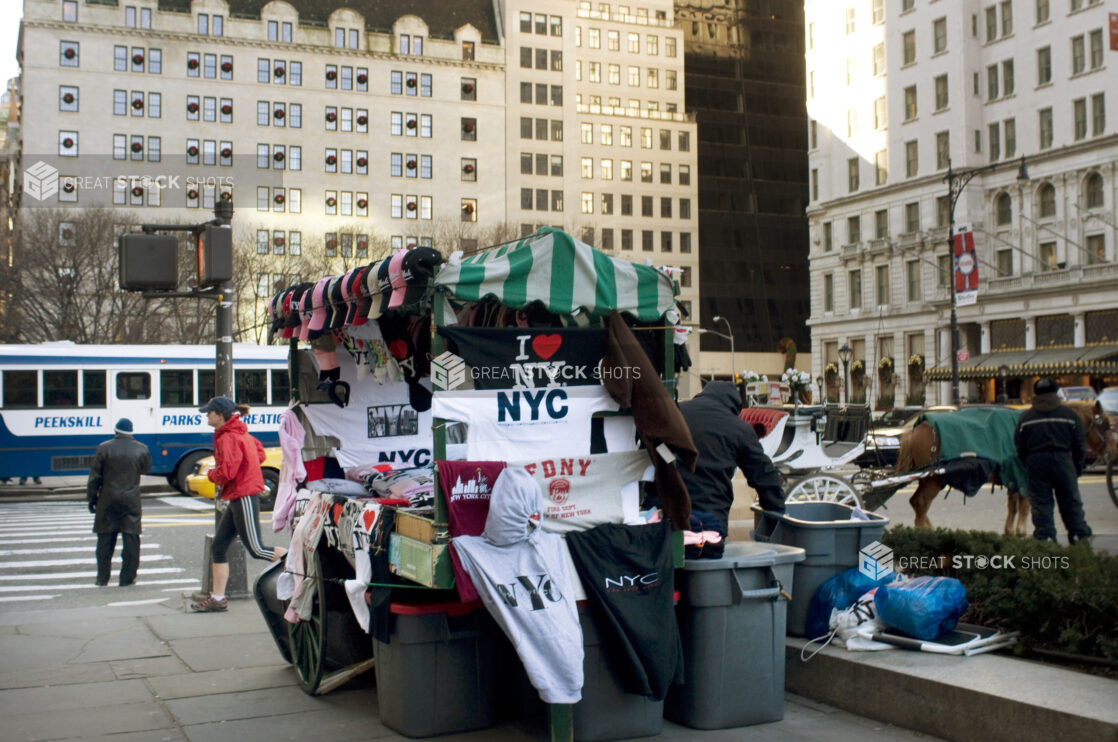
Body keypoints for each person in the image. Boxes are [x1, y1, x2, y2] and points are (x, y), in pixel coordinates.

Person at [192, 396, 285, 612]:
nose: (207, 415)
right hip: (240, 494)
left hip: (242, 494)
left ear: (219, 414)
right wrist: (247, 467)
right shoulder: (241, 433)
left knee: (257, 549)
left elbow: (227, 472)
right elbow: (260, 455)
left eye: (209, 412)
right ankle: (217, 598)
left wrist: (211, 474)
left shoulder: (227, 437)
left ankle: (297, 562)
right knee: (219, 546)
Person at [676, 381, 785, 536]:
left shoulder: (676, 413)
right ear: (734, 406)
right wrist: (776, 516)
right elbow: (765, 477)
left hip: (663, 519)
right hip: (708, 525)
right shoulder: (739, 429)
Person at [1014, 378, 1091, 544]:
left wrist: (1029, 463)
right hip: (1063, 460)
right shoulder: (1070, 416)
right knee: (1070, 501)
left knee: (1041, 503)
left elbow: (1019, 446)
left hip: (1036, 462)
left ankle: (1046, 538)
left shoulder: (1026, 418)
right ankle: (1078, 536)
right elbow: (1079, 446)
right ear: (1056, 392)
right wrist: (1076, 468)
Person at [86, 418, 151, 587]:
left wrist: (92, 499)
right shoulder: (142, 449)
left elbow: (95, 478)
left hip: (107, 499)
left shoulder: (104, 448)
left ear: (116, 431)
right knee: (131, 539)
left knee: (105, 540)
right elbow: (145, 468)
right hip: (131, 499)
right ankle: (127, 578)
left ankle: (102, 577)